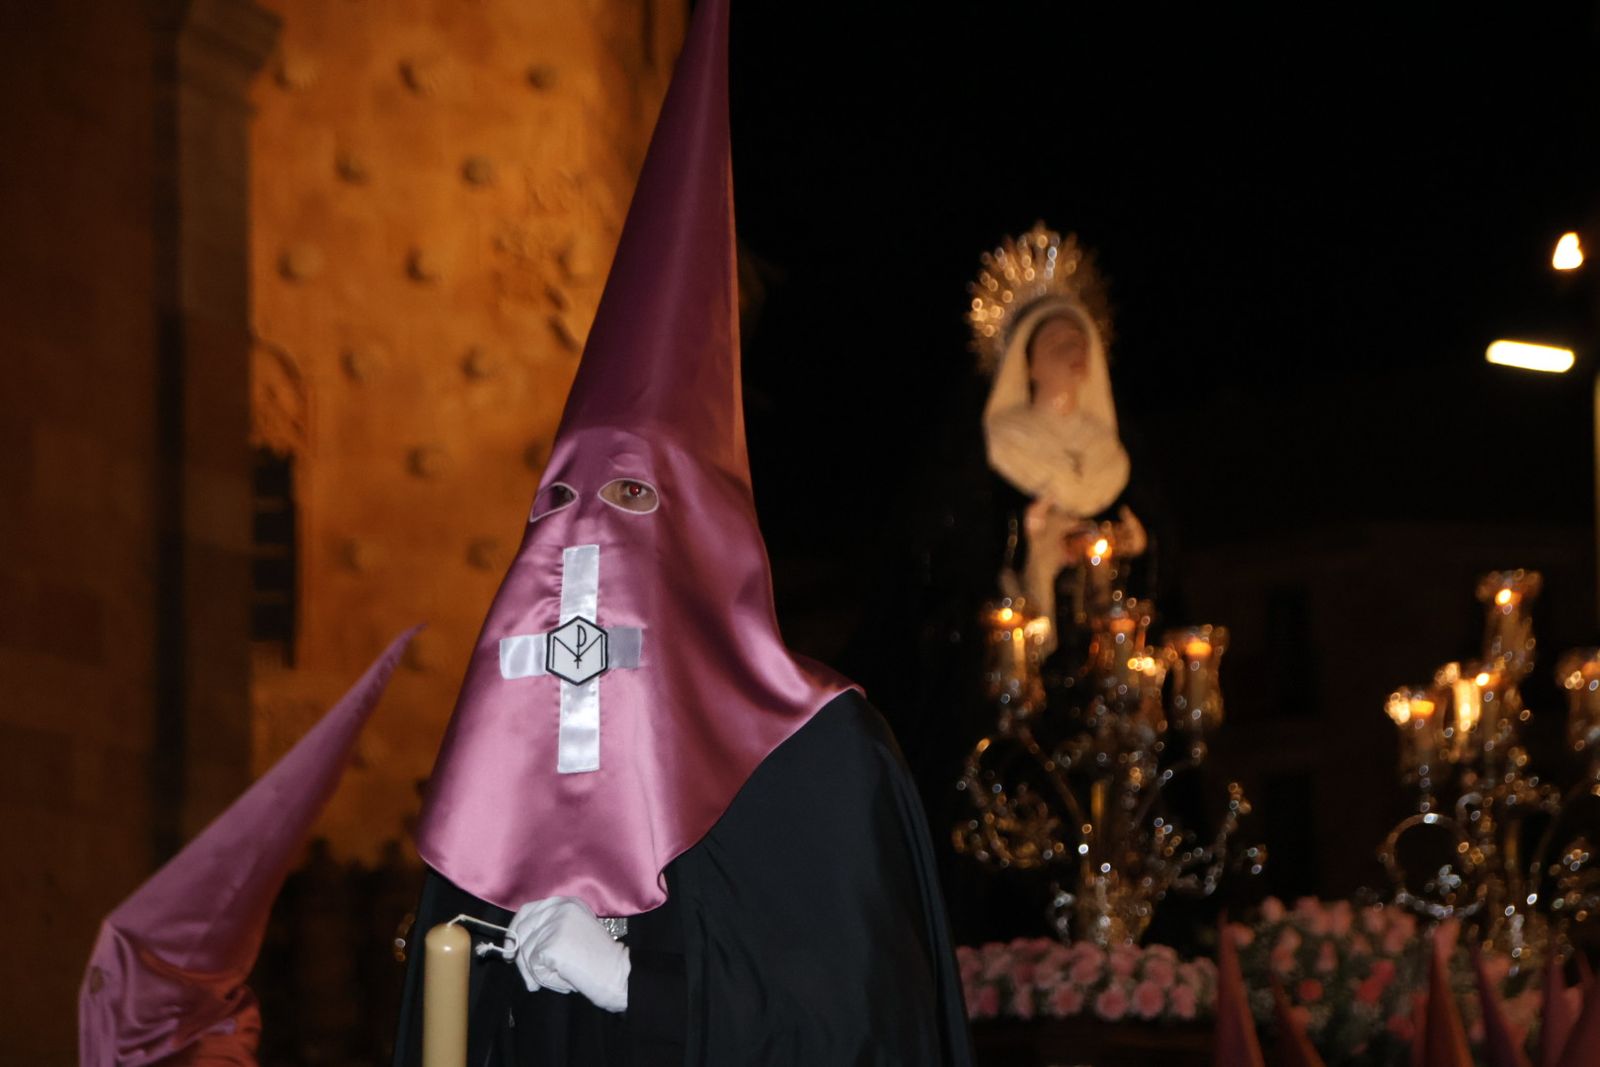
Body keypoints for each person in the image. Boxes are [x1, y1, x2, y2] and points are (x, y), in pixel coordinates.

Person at [390, 1, 972, 1063]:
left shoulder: (817, 752)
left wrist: (637, 983)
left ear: (709, 541)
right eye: (555, 500)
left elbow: (868, 1029)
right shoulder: (496, 767)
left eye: (631, 496)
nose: (582, 538)